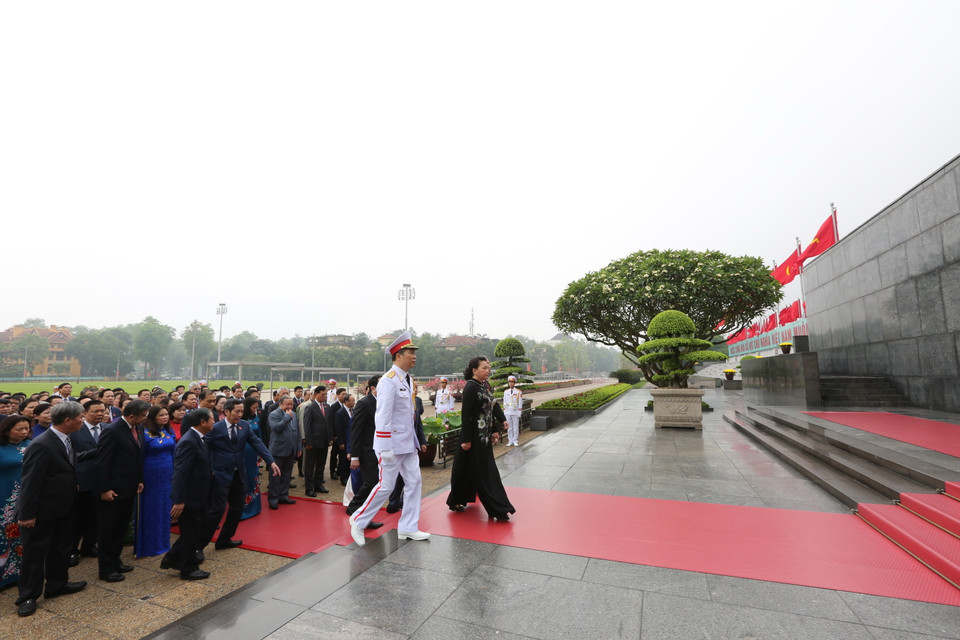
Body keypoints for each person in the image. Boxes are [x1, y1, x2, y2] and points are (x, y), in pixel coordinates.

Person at [349, 332, 429, 546]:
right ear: (398, 355)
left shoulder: (407, 379)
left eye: (414, 353)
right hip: (391, 444)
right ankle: (358, 520)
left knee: (414, 482)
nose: (414, 356)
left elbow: (409, 414)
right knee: (385, 486)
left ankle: (408, 527)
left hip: (407, 443)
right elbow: (382, 415)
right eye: (410, 353)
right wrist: (384, 448)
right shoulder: (388, 381)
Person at [15, 402, 88, 617]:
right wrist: (27, 514)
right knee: (34, 554)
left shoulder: (66, 439)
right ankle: (28, 596)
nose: (83, 421)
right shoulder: (41, 444)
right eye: (80, 418)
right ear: (67, 420)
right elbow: (30, 482)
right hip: (41, 512)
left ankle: (57, 584)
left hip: (64, 507)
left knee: (61, 548)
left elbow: (67, 464)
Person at [202, 399, 279, 550]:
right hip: (220, 475)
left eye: (241, 411)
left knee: (237, 508)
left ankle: (224, 539)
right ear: (226, 412)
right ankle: (200, 545)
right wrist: (209, 468)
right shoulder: (215, 428)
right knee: (216, 511)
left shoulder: (244, 425)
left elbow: (256, 442)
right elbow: (205, 449)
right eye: (236, 411)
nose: (239, 415)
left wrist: (271, 461)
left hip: (239, 474)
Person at [446, 356, 515, 521]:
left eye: (489, 367)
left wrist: (500, 423)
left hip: (484, 438)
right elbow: (466, 415)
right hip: (474, 439)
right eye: (484, 368)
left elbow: (492, 406)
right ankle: (498, 508)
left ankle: (456, 500)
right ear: (474, 370)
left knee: (465, 470)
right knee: (485, 473)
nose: (488, 370)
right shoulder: (470, 388)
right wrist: (466, 439)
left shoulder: (485, 385)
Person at [95, 399, 149, 582]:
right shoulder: (112, 431)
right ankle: (106, 568)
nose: (145, 419)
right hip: (113, 489)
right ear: (131, 415)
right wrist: (105, 489)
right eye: (143, 416)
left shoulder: (138, 428)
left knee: (121, 527)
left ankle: (116, 560)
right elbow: (102, 462)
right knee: (109, 529)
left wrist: (139, 479)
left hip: (130, 486)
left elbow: (138, 456)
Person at [161, 408, 214, 581]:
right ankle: (188, 569)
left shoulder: (200, 438)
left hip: (199, 494)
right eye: (211, 419)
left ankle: (173, 558)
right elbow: (180, 473)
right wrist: (179, 500)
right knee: (191, 533)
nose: (214, 422)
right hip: (189, 497)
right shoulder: (189, 442)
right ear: (202, 422)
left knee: (195, 531)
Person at [69, 400, 107, 565]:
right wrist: (95, 452)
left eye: (102, 411)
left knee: (96, 515)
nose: (100, 414)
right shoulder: (75, 431)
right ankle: (72, 550)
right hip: (83, 480)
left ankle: (89, 545)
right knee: (79, 517)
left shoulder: (107, 429)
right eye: (96, 411)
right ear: (84, 413)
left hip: (103, 480)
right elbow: (71, 456)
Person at [135, 406, 176, 558]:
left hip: (167, 474)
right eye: (161, 415)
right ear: (152, 417)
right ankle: (149, 544)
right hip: (151, 475)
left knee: (164, 507)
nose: (165, 417)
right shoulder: (144, 433)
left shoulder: (168, 431)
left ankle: (163, 542)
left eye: (166, 414)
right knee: (152, 508)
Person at [344, 376, 383, 531]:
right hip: (366, 451)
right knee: (372, 483)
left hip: (380, 451)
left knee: (376, 484)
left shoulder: (384, 403)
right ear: (373, 388)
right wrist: (354, 456)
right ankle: (354, 508)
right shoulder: (364, 404)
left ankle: (364, 516)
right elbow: (356, 431)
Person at [1, 415, 32, 589]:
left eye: (27, 428)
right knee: (4, 534)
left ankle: (21, 572)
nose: (24, 432)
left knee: (23, 534)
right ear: (6, 430)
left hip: (27, 495)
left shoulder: (31, 445)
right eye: (19, 429)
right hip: (4, 496)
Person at [267, 396, 301, 509]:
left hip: (291, 450)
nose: (290, 407)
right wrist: (286, 417)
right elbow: (276, 428)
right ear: (280, 404)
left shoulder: (294, 414)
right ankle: (273, 499)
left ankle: (283, 496)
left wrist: (298, 447)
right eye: (287, 404)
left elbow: (297, 432)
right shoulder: (274, 414)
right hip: (278, 450)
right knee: (275, 477)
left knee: (286, 475)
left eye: (291, 404)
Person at [301, 385, 331, 497]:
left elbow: (328, 424)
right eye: (322, 395)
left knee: (321, 465)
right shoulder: (310, 407)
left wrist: (330, 438)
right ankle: (309, 488)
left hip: (323, 442)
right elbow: (307, 426)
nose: (324, 397)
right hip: (313, 443)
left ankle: (318, 484)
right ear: (316, 394)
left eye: (326, 395)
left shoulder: (327, 407)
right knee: (310, 466)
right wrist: (308, 442)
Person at [241, 397, 267, 519]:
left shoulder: (255, 418)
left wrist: (261, 452)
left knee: (253, 478)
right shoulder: (240, 419)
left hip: (253, 453)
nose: (255, 410)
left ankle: (254, 507)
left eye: (257, 408)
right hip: (241, 452)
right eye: (253, 408)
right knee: (243, 479)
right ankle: (242, 508)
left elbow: (259, 435)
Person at [502, 375, 523, 447]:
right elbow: (504, 402)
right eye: (509, 382)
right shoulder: (506, 392)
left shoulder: (518, 392)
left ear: (514, 383)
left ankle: (515, 440)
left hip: (515, 411)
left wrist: (519, 411)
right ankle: (510, 440)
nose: (510, 384)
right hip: (508, 411)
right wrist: (505, 411)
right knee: (509, 427)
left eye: (512, 382)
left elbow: (520, 402)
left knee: (515, 427)